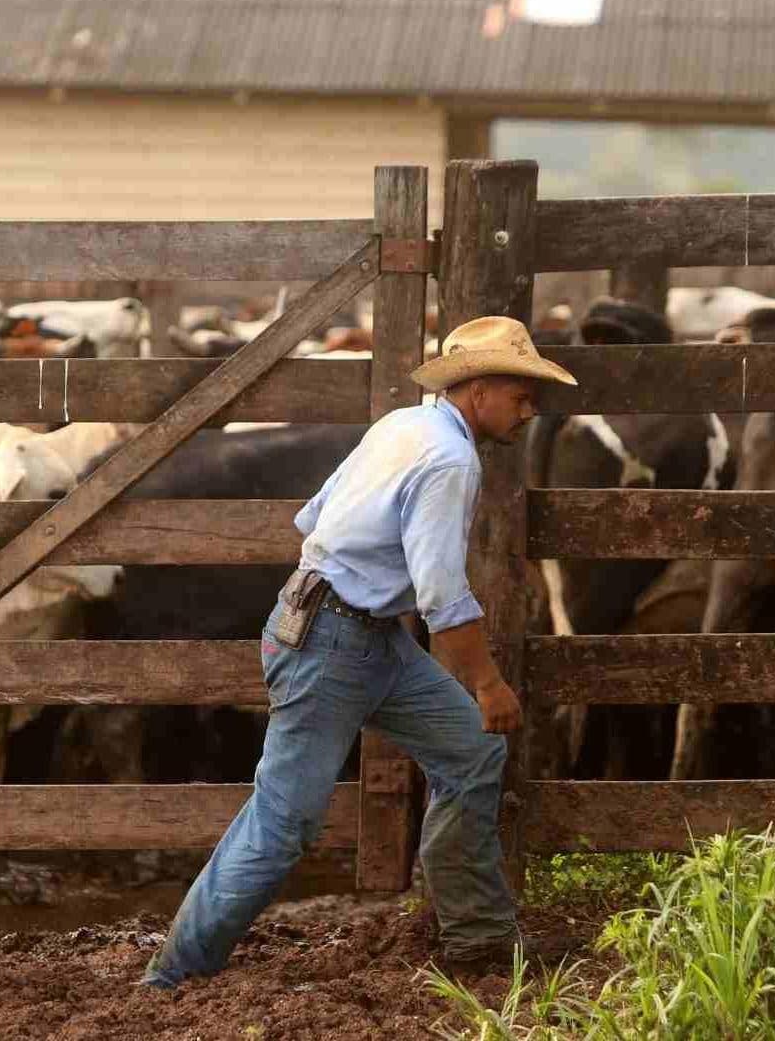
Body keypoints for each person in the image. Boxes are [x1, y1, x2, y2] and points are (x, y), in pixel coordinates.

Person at [141, 315, 579, 988]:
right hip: (336, 640)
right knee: (284, 821)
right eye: (521, 396)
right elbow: (441, 596)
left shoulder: (402, 425)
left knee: (471, 751)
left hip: (353, 628)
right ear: (480, 389)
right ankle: (174, 975)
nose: (529, 411)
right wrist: (489, 685)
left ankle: (478, 939)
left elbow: (314, 516)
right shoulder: (450, 460)